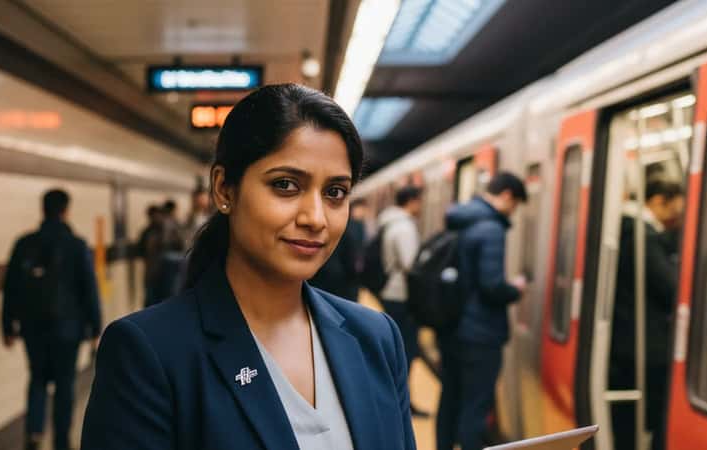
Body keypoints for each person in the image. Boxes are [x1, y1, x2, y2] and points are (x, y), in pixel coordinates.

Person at [81, 84, 416, 450]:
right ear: (224, 189)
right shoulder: (149, 353)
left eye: (335, 192)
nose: (316, 218)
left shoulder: (376, 338)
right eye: (286, 185)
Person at [1, 189, 102, 450]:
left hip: (32, 327)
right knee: (65, 384)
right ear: (65, 210)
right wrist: (95, 326)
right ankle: (61, 440)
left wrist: (7, 325)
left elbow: (10, 287)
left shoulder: (24, 244)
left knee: (37, 378)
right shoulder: (77, 245)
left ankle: (34, 434)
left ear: (43, 210)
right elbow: (89, 288)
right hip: (68, 329)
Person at [436, 172, 527, 450]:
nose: (513, 212)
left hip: (452, 327)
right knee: (475, 405)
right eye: (516, 205)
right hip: (480, 333)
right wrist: (516, 288)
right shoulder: (491, 228)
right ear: (507, 196)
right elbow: (491, 286)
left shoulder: (461, 220)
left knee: (450, 397)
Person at [610, 180, 684, 450]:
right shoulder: (644, 238)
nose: (673, 219)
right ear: (656, 201)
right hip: (642, 345)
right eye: (672, 211)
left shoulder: (625, 230)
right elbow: (671, 288)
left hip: (623, 342)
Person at [376, 185, 428, 417]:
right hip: (402, 296)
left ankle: (401, 402)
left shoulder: (390, 223)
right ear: (412, 201)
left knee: (402, 351)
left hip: (392, 292)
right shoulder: (404, 227)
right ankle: (401, 404)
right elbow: (410, 265)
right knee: (406, 352)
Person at [137, 204, 165, 307]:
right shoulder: (146, 232)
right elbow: (141, 250)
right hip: (151, 272)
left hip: (162, 272)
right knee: (151, 300)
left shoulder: (165, 230)